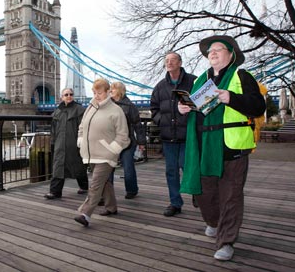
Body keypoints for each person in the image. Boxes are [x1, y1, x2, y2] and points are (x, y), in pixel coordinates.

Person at [178, 35, 266, 261]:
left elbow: (258, 106)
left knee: (231, 195)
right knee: (205, 193)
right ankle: (213, 222)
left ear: (231, 54)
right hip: (204, 146)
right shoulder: (201, 81)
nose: (212, 53)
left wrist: (231, 98)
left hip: (232, 146)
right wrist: (183, 108)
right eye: (210, 51)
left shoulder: (242, 76)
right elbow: (194, 108)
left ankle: (227, 240)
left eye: (218, 49)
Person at [74, 78, 130, 227]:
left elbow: (123, 135)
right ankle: (111, 207)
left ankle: (85, 213)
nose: (96, 95)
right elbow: (82, 126)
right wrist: (80, 139)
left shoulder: (116, 111)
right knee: (104, 183)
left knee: (95, 184)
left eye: (99, 93)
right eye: (94, 92)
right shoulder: (91, 107)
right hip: (90, 153)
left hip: (106, 155)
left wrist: (112, 149)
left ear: (108, 92)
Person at [150, 52, 196, 216]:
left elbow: (205, 102)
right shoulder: (159, 86)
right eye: (166, 61)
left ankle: (196, 193)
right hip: (168, 136)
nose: (169, 63)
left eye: (173, 60)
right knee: (171, 171)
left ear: (180, 62)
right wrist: (163, 120)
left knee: (188, 166)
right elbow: (154, 110)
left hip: (188, 135)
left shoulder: (194, 81)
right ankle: (175, 202)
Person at [44, 88, 89, 199]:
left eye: (71, 94)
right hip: (60, 144)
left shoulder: (80, 110)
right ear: (62, 97)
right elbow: (53, 130)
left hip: (74, 144)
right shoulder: (57, 112)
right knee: (58, 167)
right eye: (66, 94)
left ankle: (84, 186)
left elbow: (84, 128)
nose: (69, 96)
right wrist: (53, 142)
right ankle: (55, 192)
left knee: (78, 166)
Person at [109, 81, 146, 199]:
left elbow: (137, 125)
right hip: (111, 142)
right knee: (108, 169)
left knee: (128, 168)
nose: (110, 91)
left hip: (127, 142)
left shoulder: (130, 106)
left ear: (120, 91)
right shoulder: (107, 105)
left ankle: (131, 190)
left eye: (113, 89)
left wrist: (141, 142)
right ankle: (107, 193)